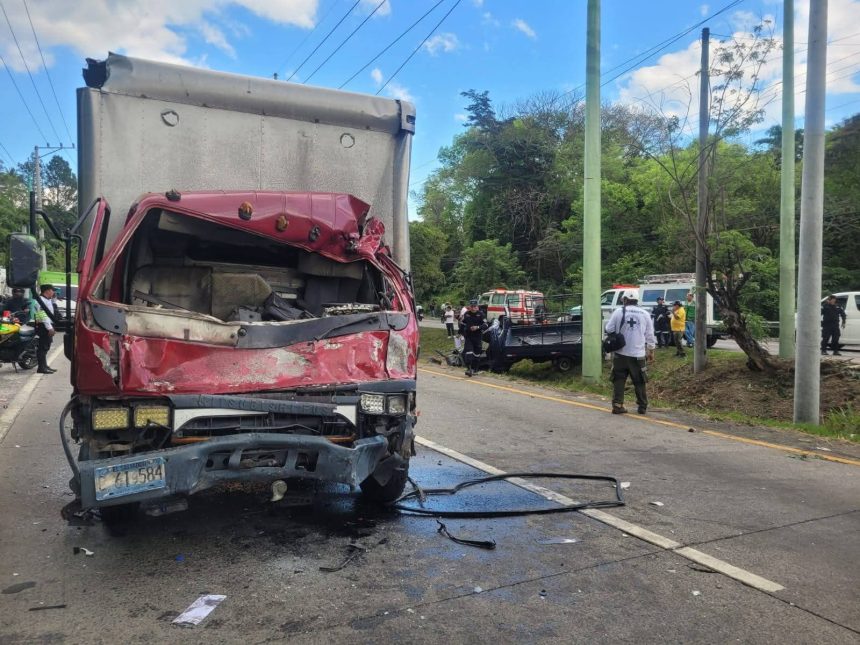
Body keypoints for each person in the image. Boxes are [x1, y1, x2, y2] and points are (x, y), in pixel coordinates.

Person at [604, 295, 656, 415]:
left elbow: (609, 328)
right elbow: (650, 334)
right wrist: (651, 350)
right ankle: (642, 406)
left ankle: (617, 405)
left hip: (620, 354)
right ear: (636, 301)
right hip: (638, 354)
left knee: (619, 379)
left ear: (625, 300)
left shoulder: (618, 312)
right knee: (639, 380)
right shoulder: (645, 313)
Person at [34, 284, 58, 374]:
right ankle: (41, 368)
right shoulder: (40, 301)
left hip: (47, 325)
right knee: (42, 348)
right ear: (47, 291)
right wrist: (49, 328)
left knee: (46, 347)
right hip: (43, 326)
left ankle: (45, 366)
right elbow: (42, 315)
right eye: (52, 290)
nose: (53, 292)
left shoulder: (47, 300)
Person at [460, 299, 487, 377]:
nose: (473, 308)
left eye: (474, 306)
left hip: (478, 337)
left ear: (477, 307)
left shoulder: (481, 314)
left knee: (477, 355)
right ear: (469, 307)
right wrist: (460, 333)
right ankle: (469, 369)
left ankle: (474, 369)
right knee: (468, 353)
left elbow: (485, 325)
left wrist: (477, 327)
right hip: (469, 336)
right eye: (471, 306)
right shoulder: (466, 314)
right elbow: (463, 323)